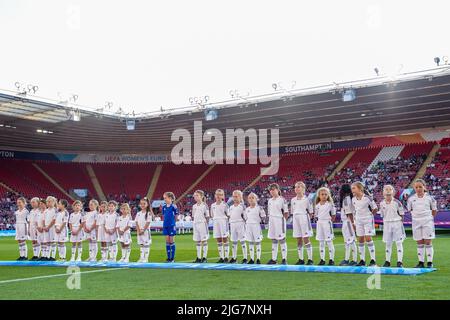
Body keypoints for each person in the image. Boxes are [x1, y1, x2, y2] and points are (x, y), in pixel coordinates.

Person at [407, 179, 438, 268]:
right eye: (416, 187)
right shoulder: (411, 199)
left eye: (420, 187)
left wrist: (428, 218)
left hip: (427, 221)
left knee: (428, 242)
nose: (418, 189)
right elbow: (410, 210)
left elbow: (434, 210)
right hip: (416, 222)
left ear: (424, 187)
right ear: (414, 188)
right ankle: (420, 262)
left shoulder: (430, 198)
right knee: (419, 242)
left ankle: (429, 262)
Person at [351, 182, 378, 266]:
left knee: (368, 238)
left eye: (354, 188)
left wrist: (370, 216)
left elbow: (375, 208)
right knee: (360, 239)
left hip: (367, 220)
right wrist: (355, 221)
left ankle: (373, 260)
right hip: (358, 221)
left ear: (360, 188)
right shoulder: (353, 199)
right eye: (352, 188)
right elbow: (355, 211)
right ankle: (362, 260)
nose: (352, 190)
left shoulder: (367, 198)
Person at [379, 185, 406, 268]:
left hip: (397, 223)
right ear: (383, 192)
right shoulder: (381, 203)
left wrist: (399, 223)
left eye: (390, 189)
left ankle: (399, 262)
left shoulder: (397, 203)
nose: (388, 191)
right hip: (387, 223)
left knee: (398, 243)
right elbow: (382, 215)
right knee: (388, 243)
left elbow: (402, 215)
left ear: (393, 192)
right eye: (386, 189)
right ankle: (387, 261)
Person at [291, 181, 314, 265]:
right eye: (295, 187)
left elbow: (311, 212)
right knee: (298, 239)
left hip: (304, 218)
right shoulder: (293, 200)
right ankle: (301, 259)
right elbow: (292, 211)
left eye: (298, 187)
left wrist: (307, 220)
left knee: (306, 238)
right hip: (295, 218)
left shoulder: (307, 199)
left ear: (303, 189)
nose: (296, 188)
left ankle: (310, 259)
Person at [266, 184, 289, 265]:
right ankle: (274, 259)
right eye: (270, 190)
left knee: (282, 239)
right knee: (274, 239)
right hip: (272, 220)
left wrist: (283, 220)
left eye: (273, 189)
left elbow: (286, 212)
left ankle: (284, 259)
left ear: (278, 189)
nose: (272, 191)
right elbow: (269, 212)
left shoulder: (282, 199)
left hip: (279, 220)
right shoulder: (270, 200)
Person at [314, 187, 336, 266]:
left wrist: (330, 222)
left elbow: (333, 214)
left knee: (329, 241)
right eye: (322, 194)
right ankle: (322, 259)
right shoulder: (317, 205)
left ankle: (331, 259)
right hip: (320, 223)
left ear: (328, 195)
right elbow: (316, 215)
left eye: (325, 194)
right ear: (319, 195)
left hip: (327, 223)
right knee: (321, 242)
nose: (324, 196)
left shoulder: (330, 204)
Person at [338, 184, 358, 266]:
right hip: (347, 222)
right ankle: (348, 259)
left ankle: (353, 260)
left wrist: (353, 223)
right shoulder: (349, 198)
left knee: (351, 241)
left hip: (348, 222)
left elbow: (349, 213)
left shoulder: (346, 199)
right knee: (348, 241)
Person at [244, 192, 266, 264]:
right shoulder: (246, 209)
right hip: (248, 226)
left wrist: (263, 220)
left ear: (256, 199)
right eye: (249, 198)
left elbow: (263, 217)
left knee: (257, 242)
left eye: (252, 198)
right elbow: (245, 218)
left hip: (256, 226)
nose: (251, 199)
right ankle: (252, 259)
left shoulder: (259, 208)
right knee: (250, 242)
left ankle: (258, 259)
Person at [210, 189, 230, 263]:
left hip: (223, 222)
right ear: (215, 195)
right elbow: (212, 215)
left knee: (225, 239)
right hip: (216, 222)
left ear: (223, 196)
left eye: (220, 194)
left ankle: (226, 257)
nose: (218, 196)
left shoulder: (225, 205)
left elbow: (228, 215)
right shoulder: (212, 205)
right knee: (218, 239)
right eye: (217, 194)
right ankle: (221, 257)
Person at [228, 190, 247, 264]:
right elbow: (230, 216)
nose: (235, 198)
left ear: (240, 197)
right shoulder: (231, 207)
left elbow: (245, 216)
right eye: (233, 196)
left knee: (242, 241)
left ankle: (245, 258)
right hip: (232, 224)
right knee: (234, 241)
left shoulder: (242, 206)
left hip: (240, 224)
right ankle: (234, 257)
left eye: (236, 196)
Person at [192, 190, 210, 263]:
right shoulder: (194, 206)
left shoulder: (204, 205)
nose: (195, 197)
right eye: (194, 196)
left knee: (204, 240)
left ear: (202, 196)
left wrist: (206, 225)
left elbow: (207, 216)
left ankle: (204, 258)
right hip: (196, 224)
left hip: (203, 224)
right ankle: (198, 258)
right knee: (197, 241)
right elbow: (193, 216)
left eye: (197, 195)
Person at [135, 197, 153, 262]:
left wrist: (143, 230)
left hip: (145, 231)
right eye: (141, 204)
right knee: (141, 244)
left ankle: (146, 258)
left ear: (147, 204)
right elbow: (136, 222)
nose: (142, 205)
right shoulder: (138, 213)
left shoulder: (149, 213)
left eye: (144, 204)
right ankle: (141, 258)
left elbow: (148, 222)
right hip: (139, 231)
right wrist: (138, 230)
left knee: (146, 244)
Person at [162, 192, 178, 262]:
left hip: (171, 226)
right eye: (164, 198)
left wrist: (173, 223)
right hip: (165, 226)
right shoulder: (164, 207)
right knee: (167, 242)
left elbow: (176, 216)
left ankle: (172, 258)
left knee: (172, 241)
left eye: (165, 198)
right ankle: (168, 258)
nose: (164, 199)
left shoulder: (174, 206)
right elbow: (164, 216)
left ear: (170, 198)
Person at [43, 196, 57, 261]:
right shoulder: (45, 211)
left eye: (49, 201)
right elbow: (43, 219)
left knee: (53, 241)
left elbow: (54, 220)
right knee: (47, 242)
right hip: (46, 227)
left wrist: (48, 227)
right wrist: (44, 227)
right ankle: (47, 256)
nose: (48, 203)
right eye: (47, 202)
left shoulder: (55, 210)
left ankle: (53, 256)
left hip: (52, 227)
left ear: (53, 202)